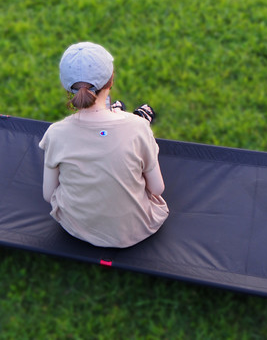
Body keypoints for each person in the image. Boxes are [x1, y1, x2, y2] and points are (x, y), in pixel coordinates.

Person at [38, 42, 169, 248]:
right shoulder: (139, 129)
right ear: (111, 80)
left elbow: (48, 194)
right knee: (132, 126)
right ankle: (121, 114)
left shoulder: (56, 133)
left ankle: (115, 111)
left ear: (67, 87)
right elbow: (157, 188)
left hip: (77, 228)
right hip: (136, 229)